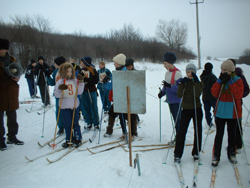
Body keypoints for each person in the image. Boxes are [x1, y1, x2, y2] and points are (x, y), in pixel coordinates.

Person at [211, 59, 244, 167]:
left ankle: (231, 153)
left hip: (232, 112)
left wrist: (230, 82)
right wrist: (219, 81)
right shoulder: (220, 80)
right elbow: (214, 93)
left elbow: (238, 94)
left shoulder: (237, 80)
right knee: (219, 134)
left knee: (232, 135)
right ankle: (216, 155)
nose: (223, 72)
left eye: (225, 70)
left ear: (231, 71)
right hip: (220, 112)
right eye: (222, 70)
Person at [174, 63, 203, 163]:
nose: (190, 74)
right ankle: (177, 154)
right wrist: (181, 84)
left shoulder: (198, 82)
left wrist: (195, 82)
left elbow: (198, 93)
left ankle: (196, 152)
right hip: (186, 109)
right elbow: (179, 95)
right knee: (182, 132)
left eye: (192, 72)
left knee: (198, 131)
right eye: (188, 72)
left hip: (196, 108)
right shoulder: (185, 82)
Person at [0, 38, 24, 150]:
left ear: (6, 49)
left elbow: (17, 72)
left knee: (12, 116)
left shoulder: (11, 61)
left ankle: (12, 136)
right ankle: (0, 140)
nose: (0, 51)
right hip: (1, 91)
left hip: (11, 92)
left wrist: (17, 78)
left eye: (2, 49)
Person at [54, 62, 84, 148]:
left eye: (71, 71)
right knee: (67, 123)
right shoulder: (60, 82)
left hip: (74, 105)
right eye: (67, 72)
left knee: (75, 123)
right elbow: (56, 94)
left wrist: (81, 82)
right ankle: (69, 139)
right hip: (64, 106)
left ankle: (78, 138)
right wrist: (60, 89)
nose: (70, 73)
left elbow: (79, 91)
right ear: (63, 72)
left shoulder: (74, 81)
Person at [158, 52, 183, 144]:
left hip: (177, 101)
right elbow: (166, 86)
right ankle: (178, 137)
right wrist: (162, 93)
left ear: (170, 62)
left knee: (178, 120)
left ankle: (180, 138)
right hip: (170, 100)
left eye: (165, 63)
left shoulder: (178, 73)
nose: (164, 66)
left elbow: (181, 89)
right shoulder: (167, 73)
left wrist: (170, 86)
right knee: (175, 120)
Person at [104, 53, 128, 138]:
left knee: (122, 116)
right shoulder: (117, 72)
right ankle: (109, 131)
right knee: (112, 113)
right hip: (118, 98)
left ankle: (126, 132)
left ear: (120, 63)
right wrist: (106, 82)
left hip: (124, 98)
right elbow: (113, 86)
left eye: (115, 62)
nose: (114, 63)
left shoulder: (125, 72)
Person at [79, 56, 99, 130]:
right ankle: (88, 122)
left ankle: (96, 123)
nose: (81, 64)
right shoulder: (81, 71)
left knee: (93, 107)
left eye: (82, 63)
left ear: (86, 63)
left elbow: (96, 80)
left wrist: (88, 80)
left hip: (91, 91)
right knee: (86, 107)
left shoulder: (93, 70)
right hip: (83, 91)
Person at [47, 56, 66, 135]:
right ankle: (61, 127)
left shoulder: (66, 70)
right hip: (58, 95)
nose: (54, 65)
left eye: (55, 63)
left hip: (66, 95)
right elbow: (52, 83)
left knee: (67, 111)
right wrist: (47, 76)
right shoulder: (55, 72)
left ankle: (68, 126)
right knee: (58, 112)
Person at [234, 66, 249, 152]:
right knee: (231, 125)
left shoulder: (240, 77)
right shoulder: (226, 76)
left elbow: (246, 89)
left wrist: (240, 95)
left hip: (238, 103)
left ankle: (239, 144)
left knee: (238, 122)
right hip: (228, 103)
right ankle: (232, 143)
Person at [200, 62, 217, 128]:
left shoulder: (202, 76)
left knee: (207, 111)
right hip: (212, 97)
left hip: (205, 97)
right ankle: (217, 122)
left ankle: (209, 122)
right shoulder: (212, 76)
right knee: (216, 110)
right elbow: (216, 85)